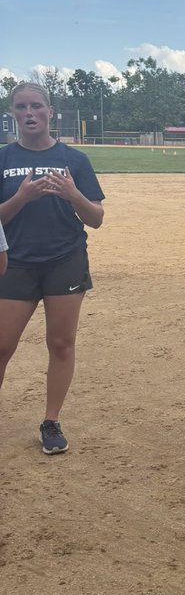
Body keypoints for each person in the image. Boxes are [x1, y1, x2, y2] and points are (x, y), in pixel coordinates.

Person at [0, 82, 105, 454]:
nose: (29, 113)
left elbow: (96, 219)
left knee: (61, 344)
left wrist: (73, 194)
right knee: (2, 345)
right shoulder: (3, 158)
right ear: (13, 113)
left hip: (65, 261)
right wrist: (21, 198)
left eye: (36, 106)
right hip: (14, 262)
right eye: (20, 107)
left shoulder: (74, 160)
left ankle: (51, 421)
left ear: (50, 111)